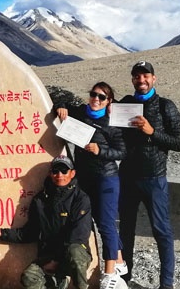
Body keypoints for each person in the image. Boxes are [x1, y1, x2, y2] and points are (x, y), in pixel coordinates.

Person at [118, 61, 180, 289]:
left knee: (161, 231)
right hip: (126, 177)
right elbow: (100, 115)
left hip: (154, 178)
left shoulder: (166, 106)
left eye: (146, 76)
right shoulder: (125, 104)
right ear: (133, 80)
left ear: (154, 78)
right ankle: (123, 279)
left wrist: (152, 132)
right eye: (137, 76)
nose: (142, 80)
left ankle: (166, 284)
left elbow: (179, 143)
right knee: (125, 230)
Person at [54, 82, 128, 289]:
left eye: (102, 97)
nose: (96, 99)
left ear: (109, 101)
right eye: (94, 95)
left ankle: (110, 273)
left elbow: (122, 152)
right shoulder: (79, 113)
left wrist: (100, 151)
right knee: (93, 219)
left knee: (105, 223)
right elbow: (58, 101)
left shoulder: (112, 123)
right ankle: (120, 260)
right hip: (84, 178)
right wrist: (60, 106)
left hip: (106, 178)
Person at [0, 156, 92, 289]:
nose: (59, 175)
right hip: (48, 256)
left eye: (64, 170)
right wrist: (2, 232)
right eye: (55, 171)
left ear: (72, 173)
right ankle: (57, 282)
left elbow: (79, 235)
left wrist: (57, 261)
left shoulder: (80, 198)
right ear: (50, 174)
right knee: (29, 277)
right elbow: (30, 232)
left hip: (72, 256)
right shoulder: (40, 200)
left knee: (75, 253)